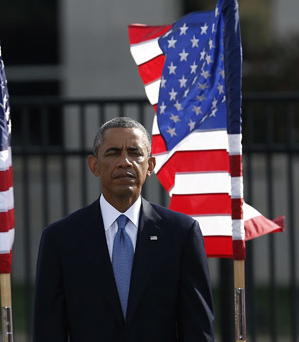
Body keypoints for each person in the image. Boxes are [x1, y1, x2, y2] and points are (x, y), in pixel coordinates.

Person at [32, 116, 214, 341]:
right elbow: (48, 330)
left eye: (135, 153)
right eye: (113, 152)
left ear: (150, 166)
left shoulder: (181, 233)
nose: (125, 162)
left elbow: (197, 327)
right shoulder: (60, 239)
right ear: (94, 165)